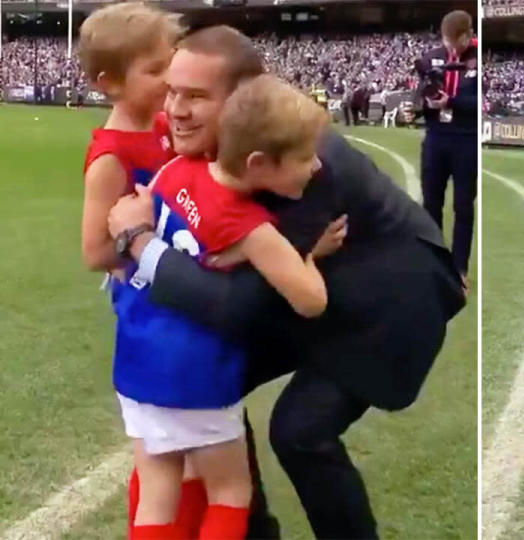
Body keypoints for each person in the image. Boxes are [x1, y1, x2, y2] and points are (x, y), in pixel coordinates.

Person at [107, 25, 465, 539]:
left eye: (196, 96)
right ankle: (245, 527)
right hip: (319, 288)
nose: (176, 110)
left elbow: (234, 306)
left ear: (245, 99)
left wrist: (139, 244)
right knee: (210, 375)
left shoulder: (296, 159)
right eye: (173, 92)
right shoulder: (240, 145)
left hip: (386, 310)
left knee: (299, 431)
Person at [75, 5, 186, 534]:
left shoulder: (167, 126)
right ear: (110, 83)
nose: (171, 80)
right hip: (152, 311)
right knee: (161, 458)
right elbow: (95, 253)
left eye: (172, 63)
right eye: (156, 70)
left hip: (185, 297)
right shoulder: (111, 156)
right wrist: (145, 246)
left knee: (185, 459)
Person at [408, 10, 478, 283]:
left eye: (453, 42)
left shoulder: (479, 59)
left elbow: (481, 106)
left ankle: (460, 267)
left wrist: (451, 101)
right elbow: (420, 94)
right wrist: (417, 108)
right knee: (431, 202)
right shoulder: (430, 58)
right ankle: (434, 262)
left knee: (463, 206)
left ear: (467, 36)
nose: (449, 47)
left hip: (466, 139)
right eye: (445, 41)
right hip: (436, 137)